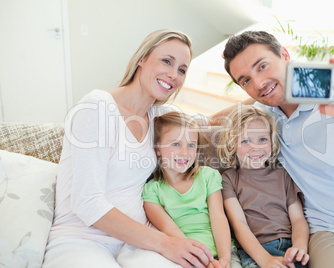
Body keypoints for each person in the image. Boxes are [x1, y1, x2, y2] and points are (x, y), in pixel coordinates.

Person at [213, 30, 334, 267]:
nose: (258, 83)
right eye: (245, 80)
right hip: (333, 233)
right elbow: (230, 111)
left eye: (262, 66)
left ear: (284, 55)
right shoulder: (265, 124)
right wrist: (212, 117)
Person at [43, 29, 215, 268]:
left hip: (136, 244)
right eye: (167, 61)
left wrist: (269, 99)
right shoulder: (96, 107)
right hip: (81, 239)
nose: (174, 74)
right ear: (142, 58)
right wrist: (165, 243)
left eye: (182, 70)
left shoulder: (159, 117)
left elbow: (206, 121)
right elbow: (87, 201)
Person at [142, 111, 241, 268]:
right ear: (158, 149)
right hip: (185, 256)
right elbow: (169, 229)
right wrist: (203, 261)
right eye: (175, 144)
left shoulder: (208, 176)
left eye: (191, 145)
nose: (185, 152)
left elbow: (219, 218)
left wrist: (225, 260)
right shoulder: (152, 191)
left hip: (224, 252)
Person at [217, 105, 309, 268]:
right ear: (232, 145)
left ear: (272, 142)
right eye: (245, 141)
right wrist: (264, 259)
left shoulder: (283, 174)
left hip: (289, 246)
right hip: (255, 251)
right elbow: (239, 224)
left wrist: (299, 246)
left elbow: (298, 219)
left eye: (262, 139)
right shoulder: (229, 178)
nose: (256, 147)